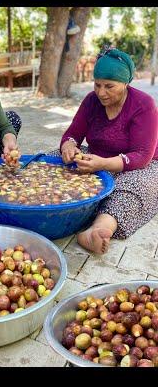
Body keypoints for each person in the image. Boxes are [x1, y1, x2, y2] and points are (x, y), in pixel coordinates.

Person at [54, 47, 158, 254]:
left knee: (135, 186)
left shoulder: (144, 105)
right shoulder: (91, 101)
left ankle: (99, 229)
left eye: (109, 86)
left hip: (137, 166)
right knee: (51, 158)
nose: (101, 92)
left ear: (126, 83)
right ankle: (49, 206)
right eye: (97, 85)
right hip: (96, 158)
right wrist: (69, 146)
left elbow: (142, 155)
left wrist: (103, 164)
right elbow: (72, 134)